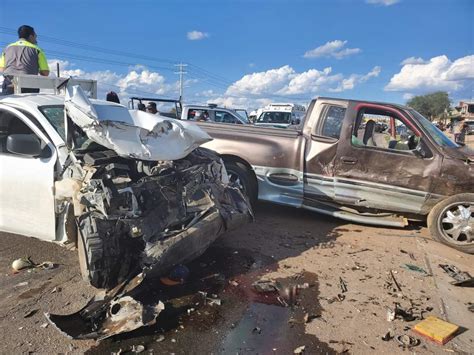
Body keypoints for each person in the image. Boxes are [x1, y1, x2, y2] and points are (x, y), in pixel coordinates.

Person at [0, 25, 49, 95]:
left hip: (9, 83)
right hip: (29, 85)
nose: (36, 40)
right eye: (35, 37)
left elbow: (2, 69)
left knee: (8, 105)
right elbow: (45, 73)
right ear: (31, 36)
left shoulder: (7, 48)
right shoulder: (38, 50)